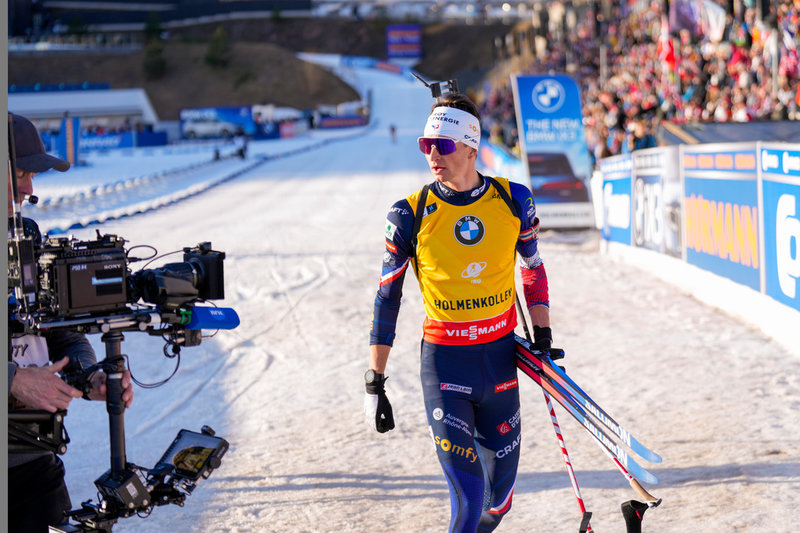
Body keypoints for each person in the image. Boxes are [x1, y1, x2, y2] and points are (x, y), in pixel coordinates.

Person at [363, 94, 553, 532]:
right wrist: (375, 381)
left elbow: (533, 268)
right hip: (445, 365)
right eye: (426, 143)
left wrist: (542, 335)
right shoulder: (409, 213)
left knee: (496, 504)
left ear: (471, 146)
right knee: (468, 502)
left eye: (443, 145)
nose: (432, 154)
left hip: (501, 363)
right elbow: (387, 297)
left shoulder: (514, 200)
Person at [7, 113, 135, 533]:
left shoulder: (26, 235)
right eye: (20, 174)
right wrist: (12, 379)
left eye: (32, 176)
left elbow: (59, 331)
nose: (29, 188)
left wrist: (88, 374)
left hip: (32, 461)